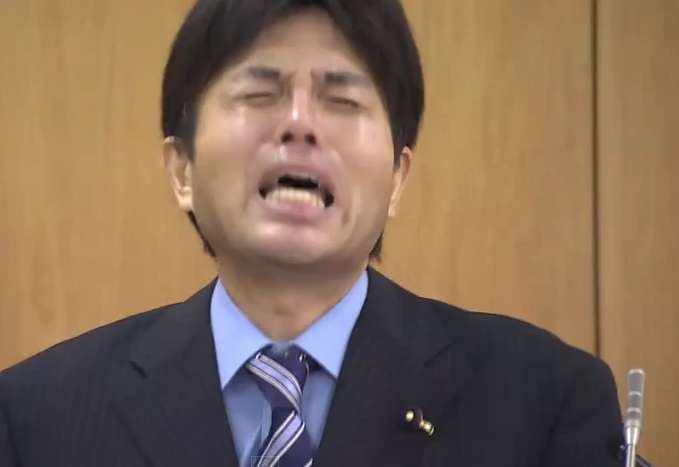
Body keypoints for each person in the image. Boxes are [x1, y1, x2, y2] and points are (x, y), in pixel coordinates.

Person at [0, 1, 623, 466]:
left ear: (397, 178)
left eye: (342, 101)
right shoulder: (38, 418)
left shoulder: (541, 403)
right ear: (182, 170)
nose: (299, 124)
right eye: (260, 93)